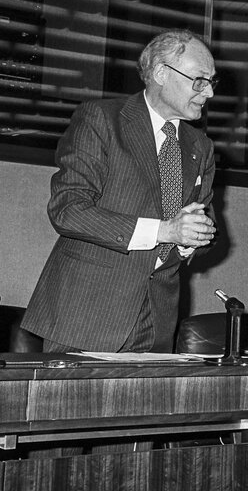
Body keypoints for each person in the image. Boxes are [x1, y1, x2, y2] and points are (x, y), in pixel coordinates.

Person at [22, 29, 218, 354]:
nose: (208, 92)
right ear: (160, 73)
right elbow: (68, 210)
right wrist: (166, 231)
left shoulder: (202, 147)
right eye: (199, 80)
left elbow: (203, 227)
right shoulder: (101, 119)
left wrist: (193, 238)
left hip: (158, 320)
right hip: (88, 315)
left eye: (212, 81)